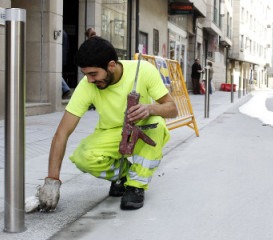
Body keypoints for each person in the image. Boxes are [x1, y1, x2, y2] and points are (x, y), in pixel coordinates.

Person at [38, 37, 178, 211]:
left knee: (156, 124)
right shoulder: (87, 85)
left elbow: (172, 109)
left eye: (93, 74)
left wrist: (150, 109)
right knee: (83, 156)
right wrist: (52, 181)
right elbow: (62, 133)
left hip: (141, 130)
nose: (89, 80)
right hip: (112, 133)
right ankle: (124, 175)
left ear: (111, 66)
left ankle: (136, 185)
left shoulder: (143, 70)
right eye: (86, 74)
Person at [62, 31, 72, 99]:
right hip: (63, 57)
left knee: (58, 74)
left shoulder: (62, 33)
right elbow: (68, 48)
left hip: (60, 57)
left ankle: (66, 89)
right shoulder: (65, 33)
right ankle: (65, 89)